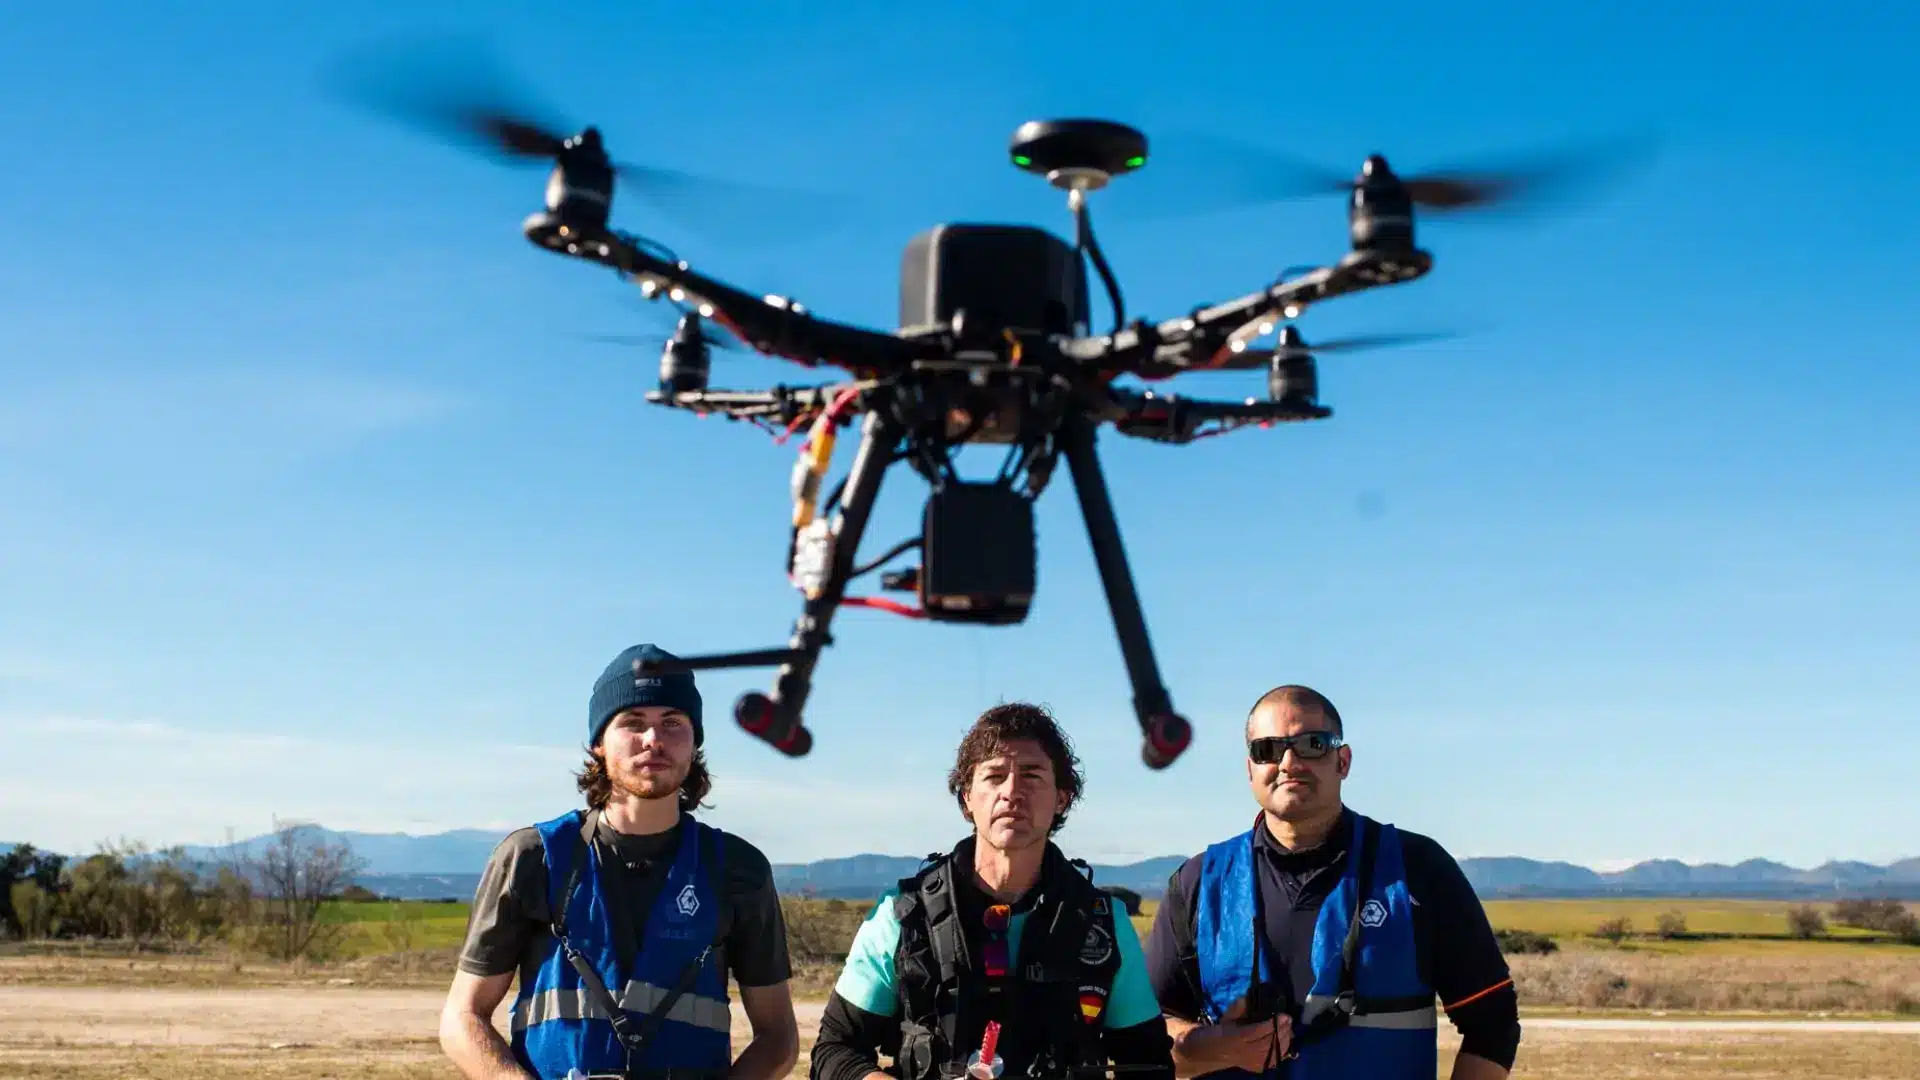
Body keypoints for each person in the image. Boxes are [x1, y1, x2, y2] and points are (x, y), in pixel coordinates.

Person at [440, 643, 800, 1080]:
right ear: (598, 744)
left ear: (694, 742)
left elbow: (778, 1037)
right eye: (633, 722)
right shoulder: (534, 857)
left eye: (673, 722)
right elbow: (462, 1017)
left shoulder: (737, 868)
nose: (654, 739)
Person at [1145, 686, 1520, 1080]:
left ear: (1343, 761)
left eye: (1312, 744)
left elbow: (1492, 1024)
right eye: (1268, 749)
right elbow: (1143, 1039)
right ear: (1250, 769)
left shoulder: (1417, 869)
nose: (1289, 762)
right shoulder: (1199, 884)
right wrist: (1219, 1046)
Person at [810, 702, 1175, 1080]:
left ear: (1062, 798)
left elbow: (1149, 1062)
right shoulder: (903, 916)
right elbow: (835, 1051)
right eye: (994, 776)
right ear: (967, 797)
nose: (1012, 792)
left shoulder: (1103, 922)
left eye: (1032, 775)